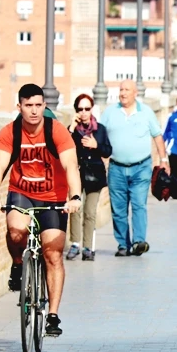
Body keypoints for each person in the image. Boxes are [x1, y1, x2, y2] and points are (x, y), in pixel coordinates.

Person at [0, 84, 83, 337]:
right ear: (20, 107)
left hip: (55, 196)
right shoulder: (10, 132)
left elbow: (71, 165)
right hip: (22, 192)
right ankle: (18, 263)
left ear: (44, 106)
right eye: (29, 106)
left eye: (39, 105)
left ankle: (52, 315)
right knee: (16, 231)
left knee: (53, 254)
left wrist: (74, 196)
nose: (34, 111)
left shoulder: (56, 131)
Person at [99, 80, 169, 257]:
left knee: (139, 204)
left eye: (126, 90)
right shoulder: (109, 113)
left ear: (135, 93)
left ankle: (138, 241)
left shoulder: (145, 112)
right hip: (116, 168)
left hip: (141, 167)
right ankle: (123, 244)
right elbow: (100, 137)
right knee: (118, 208)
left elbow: (157, 136)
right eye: (121, 90)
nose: (123, 93)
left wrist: (163, 160)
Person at [66, 93, 112, 262]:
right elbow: (63, 147)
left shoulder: (100, 129)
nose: (84, 112)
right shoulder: (72, 131)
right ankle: (75, 244)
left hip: (94, 175)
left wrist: (96, 145)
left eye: (87, 108)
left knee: (90, 212)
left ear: (92, 109)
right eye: (80, 109)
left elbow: (108, 151)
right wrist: (71, 127)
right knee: (75, 210)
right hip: (76, 174)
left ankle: (87, 247)